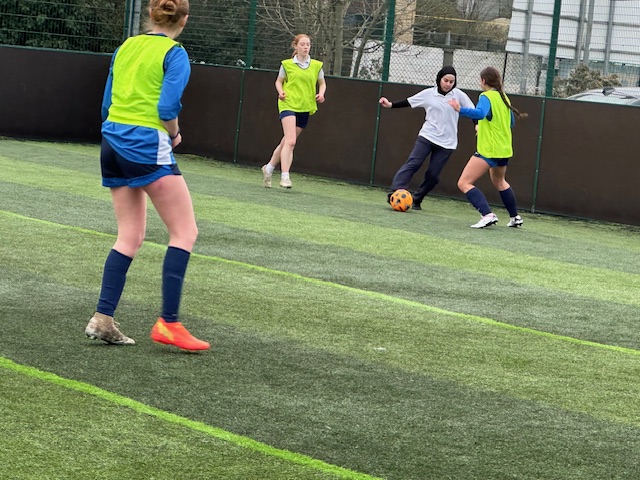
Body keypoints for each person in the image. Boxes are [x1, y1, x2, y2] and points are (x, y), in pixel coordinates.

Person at [84, 0, 209, 351]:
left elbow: (107, 104)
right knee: (185, 231)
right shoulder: (175, 53)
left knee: (130, 235)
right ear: (183, 19)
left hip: (112, 140)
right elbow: (167, 107)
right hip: (144, 141)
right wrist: (174, 132)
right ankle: (169, 323)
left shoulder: (126, 46)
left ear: (151, 15)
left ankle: (103, 317)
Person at [380, 66, 474, 210]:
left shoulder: (459, 95)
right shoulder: (428, 94)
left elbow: (472, 111)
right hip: (427, 136)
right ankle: (396, 191)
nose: (448, 84)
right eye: (446, 80)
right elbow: (409, 101)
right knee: (413, 163)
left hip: (447, 143)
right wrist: (390, 105)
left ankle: (417, 199)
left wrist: (477, 125)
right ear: (439, 79)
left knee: (433, 175)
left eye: (451, 81)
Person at [448, 66, 527, 229]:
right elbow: (509, 122)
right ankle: (515, 217)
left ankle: (487, 214)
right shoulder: (503, 97)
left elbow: (480, 113)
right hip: (504, 150)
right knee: (500, 182)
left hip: (489, 150)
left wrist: (459, 109)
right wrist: (482, 127)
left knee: (464, 183)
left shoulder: (486, 96)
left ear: (483, 81)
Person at [261, 34, 326, 189]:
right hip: (288, 104)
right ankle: (285, 176)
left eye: (308, 44)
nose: (305, 47)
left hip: (305, 106)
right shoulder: (287, 65)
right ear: (295, 46)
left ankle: (269, 168)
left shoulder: (316, 65)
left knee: (286, 141)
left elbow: (322, 83)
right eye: (302, 44)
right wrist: (280, 91)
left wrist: (321, 94)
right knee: (291, 141)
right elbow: (278, 81)